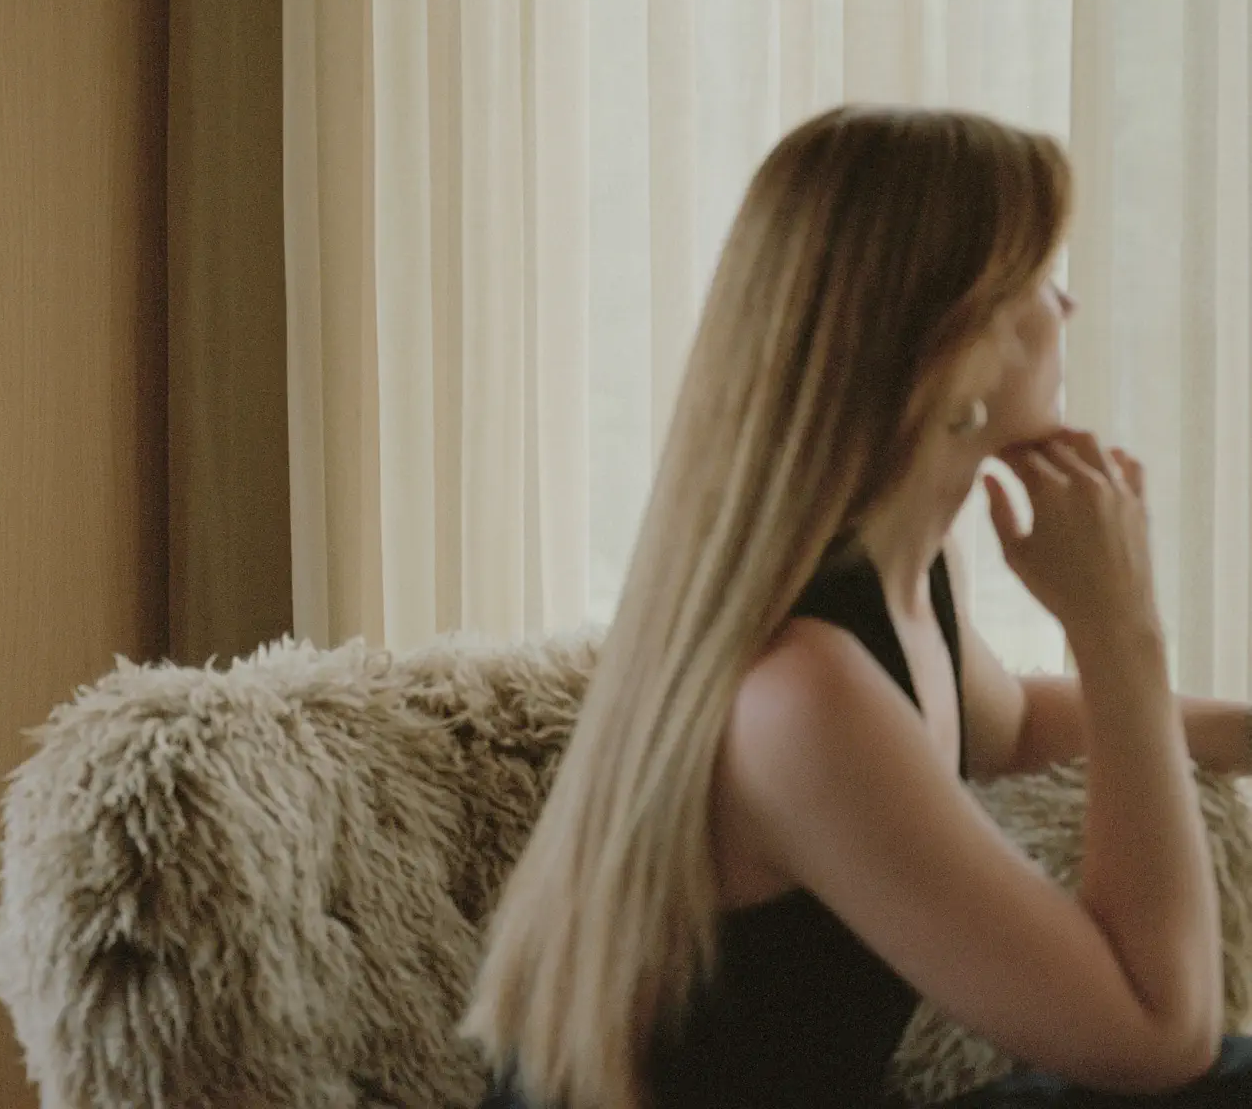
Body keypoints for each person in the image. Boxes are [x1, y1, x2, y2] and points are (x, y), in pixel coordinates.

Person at [462, 106, 1252, 1109]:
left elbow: (1007, 722)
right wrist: (1119, 632)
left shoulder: (895, 579)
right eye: (1038, 276)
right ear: (946, 347)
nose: (1070, 304)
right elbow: (1158, 1035)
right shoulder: (802, 693)